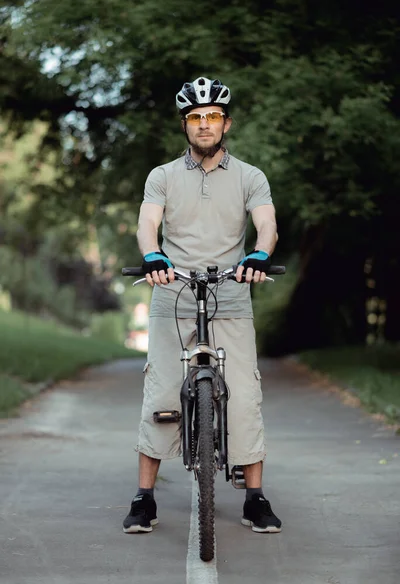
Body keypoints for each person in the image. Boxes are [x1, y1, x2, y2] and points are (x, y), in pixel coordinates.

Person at [123, 76, 281, 535]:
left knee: (246, 396)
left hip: (230, 293)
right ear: (185, 126)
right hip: (172, 292)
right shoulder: (163, 176)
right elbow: (147, 224)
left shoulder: (251, 176)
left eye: (213, 116)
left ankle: (255, 498)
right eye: (196, 117)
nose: (204, 124)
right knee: (162, 390)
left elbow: (266, 225)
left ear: (226, 123)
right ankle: (144, 498)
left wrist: (258, 256)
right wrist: (152, 256)